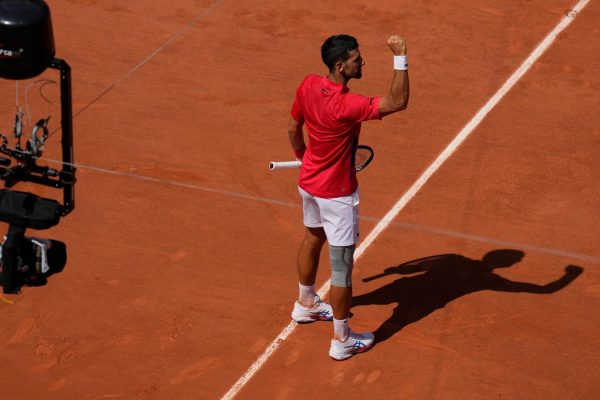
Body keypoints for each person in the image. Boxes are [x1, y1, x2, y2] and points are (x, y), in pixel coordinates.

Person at [287, 34, 410, 360]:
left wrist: (303, 158)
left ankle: (306, 303)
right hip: (337, 196)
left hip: (308, 183)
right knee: (341, 269)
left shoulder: (308, 85)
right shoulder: (347, 105)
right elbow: (397, 101)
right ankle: (342, 340)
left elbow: (292, 128)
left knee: (312, 237)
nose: (363, 62)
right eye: (357, 59)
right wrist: (400, 57)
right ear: (341, 66)